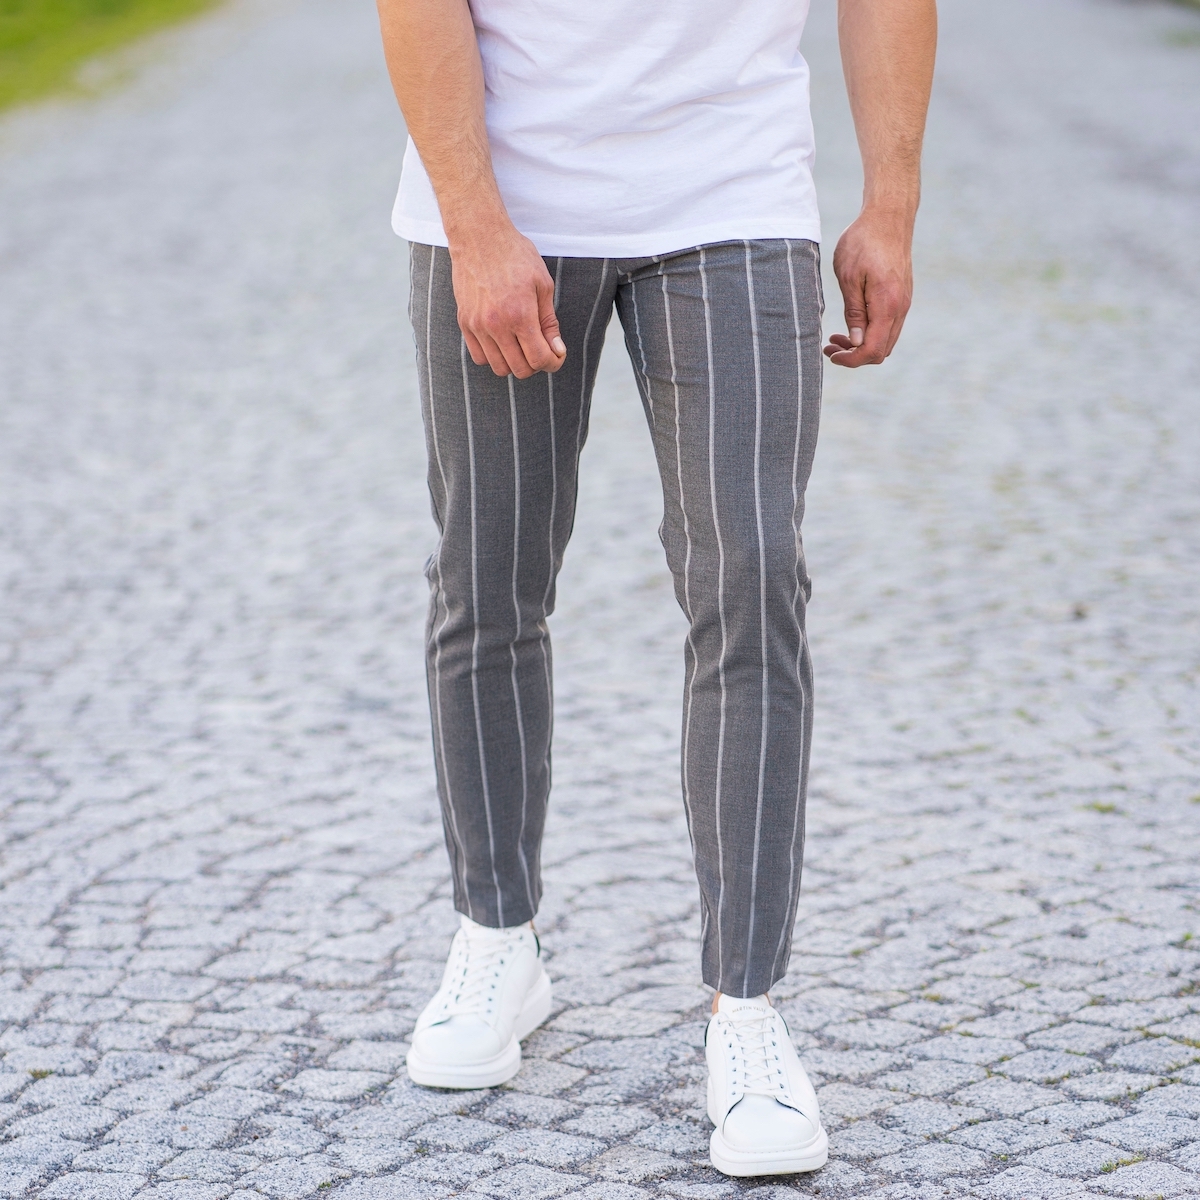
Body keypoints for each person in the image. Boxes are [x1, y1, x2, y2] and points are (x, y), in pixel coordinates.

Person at [375, 0, 935, 1176]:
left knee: (752, 577)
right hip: (502, 205)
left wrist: (891, 201)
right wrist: (475, 227)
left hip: (733, 195)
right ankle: (496, 935)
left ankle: (749, 1011)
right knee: (489, 573)